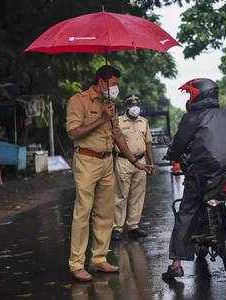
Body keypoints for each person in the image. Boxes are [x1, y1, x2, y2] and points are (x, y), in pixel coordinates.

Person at [66, 65, 154, 282]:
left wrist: (136, 162)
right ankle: (77, 264)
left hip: (108, 162)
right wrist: (101, 118)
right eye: (114, 83)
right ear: (101, 82)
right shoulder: (78, 101)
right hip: (86, 159)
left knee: (105, 213)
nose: (116, 88)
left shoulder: (110, 105)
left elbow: (117, 135)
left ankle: (99, 258)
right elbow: (73, 132)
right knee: (83, 212)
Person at [162, 78, 226, 279]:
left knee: (187, 211)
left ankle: (176, 264)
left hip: (203, 174)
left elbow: (179, 145)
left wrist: (173, 155)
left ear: (197, 95)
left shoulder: (192, 117)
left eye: (191, 94)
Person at [112, 95, 155, 241]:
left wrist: (151, 162)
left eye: (137, 104)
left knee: (138, 195)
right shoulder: (118, 122)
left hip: (141, 161)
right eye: (132, 104)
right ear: (126, 107)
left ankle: (133, 227)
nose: (135, 107)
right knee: (121, 195)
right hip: (124, 162)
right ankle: (117, 228)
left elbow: (148, 143)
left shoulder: (144, 122)